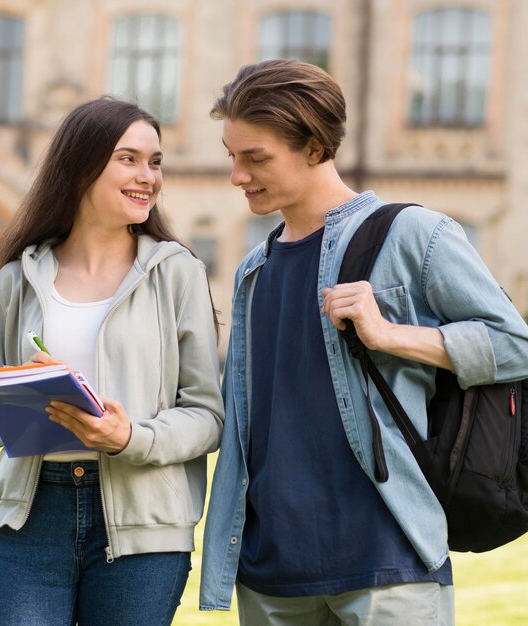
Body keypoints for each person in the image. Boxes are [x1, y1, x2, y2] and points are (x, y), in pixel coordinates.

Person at [199, 59, 528, 625]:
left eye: (256, 158)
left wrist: (391, 335)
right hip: (271, 572)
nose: (237, 176)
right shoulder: (254, 269)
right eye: (232, 156)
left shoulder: (414, 235)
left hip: (387, 562)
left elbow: (514, 345)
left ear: (314, 146)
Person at [0, 96, 224, 626]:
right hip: (32, 519)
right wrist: (34, 408)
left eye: (155, 161)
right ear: (80, 166)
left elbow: (206, 415)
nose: (147, 175)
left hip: (143, 524)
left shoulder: (178, 274)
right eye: (128, 159)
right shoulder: (17, 279)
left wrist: (130, 438)